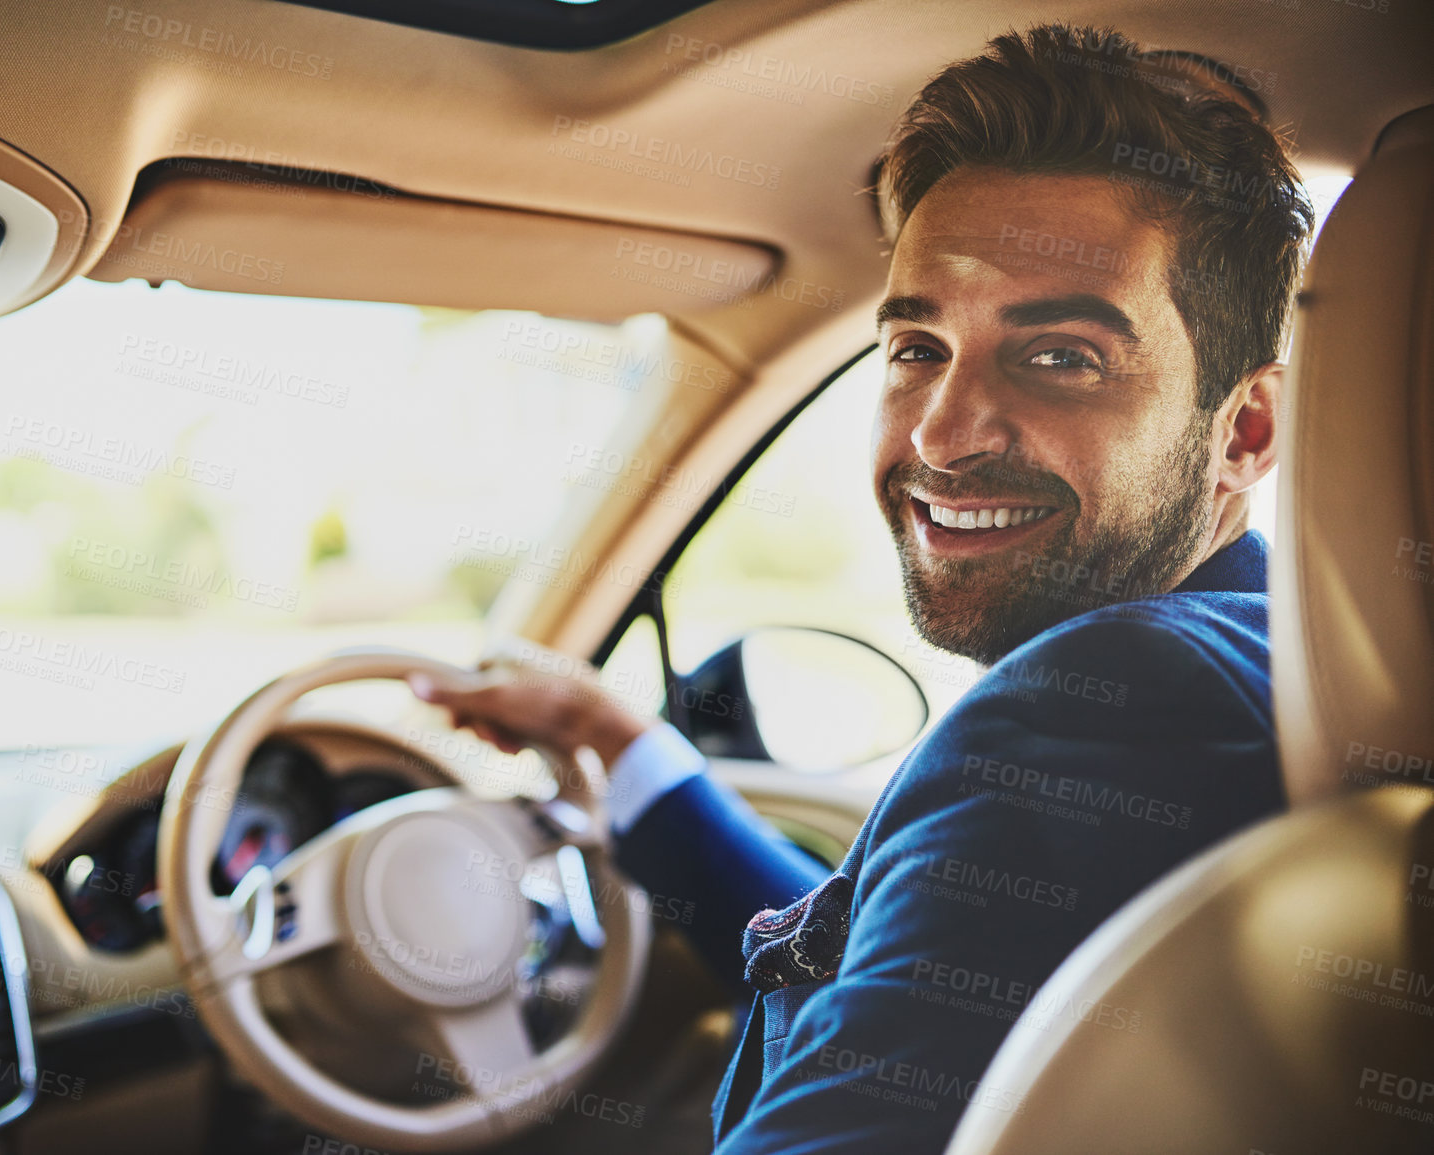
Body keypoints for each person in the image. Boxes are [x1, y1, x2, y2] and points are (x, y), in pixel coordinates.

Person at [409, 23, 1311, 1153]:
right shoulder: (1260, 657)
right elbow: (907, 977)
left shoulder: (1109, 698)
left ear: (1247, 429)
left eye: (1062, 356)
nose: (942, 430)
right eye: (918, 347)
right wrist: (624, 752)